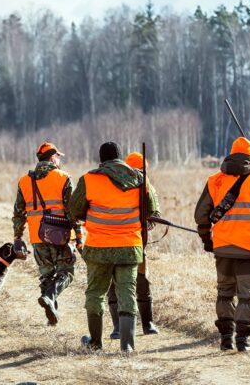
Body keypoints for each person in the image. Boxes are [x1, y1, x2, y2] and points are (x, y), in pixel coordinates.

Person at [194, 137, 250, 352]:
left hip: (223, 248)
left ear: (231, 153)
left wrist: (207, 239)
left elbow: (200, 214)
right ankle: (243, 340)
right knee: (246, 296)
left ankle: (226, 337)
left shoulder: (215, 180)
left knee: (224, 292)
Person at [70, 142, 159, 353]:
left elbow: (74, 210)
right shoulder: (140, 178)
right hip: (129, 246)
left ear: (101, 161)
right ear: (121, 159)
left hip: (98, 247)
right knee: (127, 293)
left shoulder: (89, 179)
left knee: (95, 294)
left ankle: (95, 343)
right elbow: (152, 211)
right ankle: (127, 346)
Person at [12, 142, 82, 326]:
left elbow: (18, 213)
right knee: (66, 272)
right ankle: (50, 297)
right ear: (52, 158)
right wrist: (79, 236)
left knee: (46, 275)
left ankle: (52, 316)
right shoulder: (64, 177)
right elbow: (72, 211)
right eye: (58, 157)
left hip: (37, 236)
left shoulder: (24, 181)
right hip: (60, 235)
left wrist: (17, 237)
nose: (59, 160)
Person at [106, 152, 160, 339]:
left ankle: (146, 324)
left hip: (135, 242)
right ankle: (120, 327)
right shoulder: (111, 185)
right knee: (123, 283)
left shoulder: (146, 187)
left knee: (140, 281)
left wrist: (145, 223)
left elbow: (155, 215)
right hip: (115, 242)